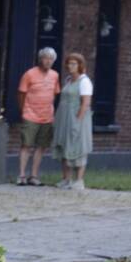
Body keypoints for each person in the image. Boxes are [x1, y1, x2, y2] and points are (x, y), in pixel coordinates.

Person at [16, 47, 60, 186]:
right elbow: (21, 93)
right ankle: (22, 175)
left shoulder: (55, 75)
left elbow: (55, 93)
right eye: (45, 58)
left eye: (51, 59)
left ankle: (34, 175)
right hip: (30, 114)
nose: (48, 61)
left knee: (41, 146)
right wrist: (24, 110)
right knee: (26, 145)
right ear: (40, 59)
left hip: (47, 116)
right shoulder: (29, 74)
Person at [53, 53, 93, 191]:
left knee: (78, 146)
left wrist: (78, 121)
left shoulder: (84, 81)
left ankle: (79, 180)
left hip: (77, 118)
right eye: (69, 63)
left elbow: (85, 103)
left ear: (80, 65)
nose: (71, 66)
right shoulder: (68, 80)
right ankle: (66, 179)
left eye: (74, 63)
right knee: (65, 145)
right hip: (64, 118)